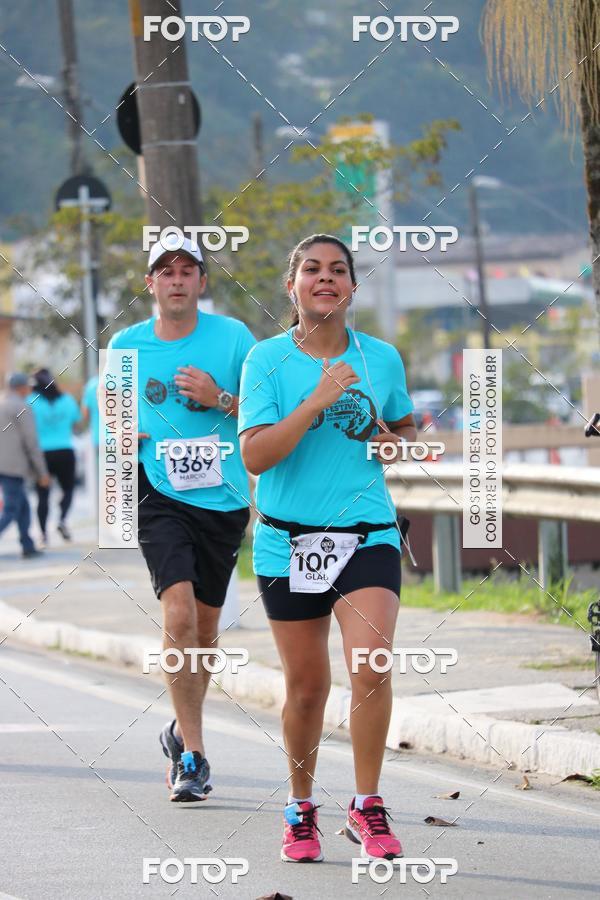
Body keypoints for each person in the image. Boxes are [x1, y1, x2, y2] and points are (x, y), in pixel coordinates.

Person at [238, 234, 416, 863]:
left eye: (338, 270)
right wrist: (316, 401)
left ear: (352, 288)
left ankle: (367, 805)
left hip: (368, 534)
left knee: (370, 666)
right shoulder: (265, 360)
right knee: (308, 687)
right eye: (311, 270)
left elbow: (402, 428)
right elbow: (255, 455)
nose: (325, 279)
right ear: (292, 287)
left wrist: (391, 440)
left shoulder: (381, 358)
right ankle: (301, 808)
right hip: (288, 541)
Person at [107, 236, 255, 802]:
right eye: (164, 271)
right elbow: (111, 426)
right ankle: (192, 756)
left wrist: (220, 398)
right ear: (150, 284)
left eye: (186, 270)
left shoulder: (234, 337)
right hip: (158, 494)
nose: (175, 279)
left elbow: (265, 412)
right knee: (178, 613)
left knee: (205, 631)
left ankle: (176, 731)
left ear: (201, 282)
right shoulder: (127, 344)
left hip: (222, 498)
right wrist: (125, 438)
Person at [28, 368, 81, 543]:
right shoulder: (67, 400)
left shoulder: (30, 401)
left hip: (42, 453)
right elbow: (77, 424)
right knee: (68, 489)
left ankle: (43, 534)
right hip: (65, 450)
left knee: (42, 494)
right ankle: (62, 518)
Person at [0, 373, 49, 558]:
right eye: (28, 386)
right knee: (11, 509)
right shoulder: (21, 407)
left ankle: (27, 545)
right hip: (12, 466)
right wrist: (42, 472)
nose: (30, 390)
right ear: (20, 387)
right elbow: (31, 442)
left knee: (22, 507)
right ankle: (27, 545)